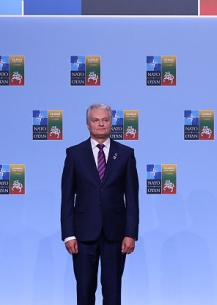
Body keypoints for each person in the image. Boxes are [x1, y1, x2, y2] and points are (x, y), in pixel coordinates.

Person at [61, 103, 139, 305]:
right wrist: (69, 234)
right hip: (83, 234)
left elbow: (132, 198)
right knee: (85, 290)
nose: (101, 124)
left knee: (113, 292)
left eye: (105, 120)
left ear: (111, 123)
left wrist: (130, 233)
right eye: (96, 120)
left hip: (116, 235)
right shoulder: (74, 154)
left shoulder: (126, 154)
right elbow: (67, 197)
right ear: (88, 124)